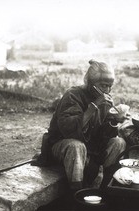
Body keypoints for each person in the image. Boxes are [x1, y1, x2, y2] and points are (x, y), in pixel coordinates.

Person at [34, 60, 129, 192]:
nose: (107, 90)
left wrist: (114, 120)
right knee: (76, 146)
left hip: (90, 147)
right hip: (61, 145)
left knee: (119, 142)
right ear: (90, 83)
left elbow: (103, 134)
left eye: (110, 86)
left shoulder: (105, 99)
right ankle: (77, 194)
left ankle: (106, 190)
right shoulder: (72, 95)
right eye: (103, 86)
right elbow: (69, 130)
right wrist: (93, 107)